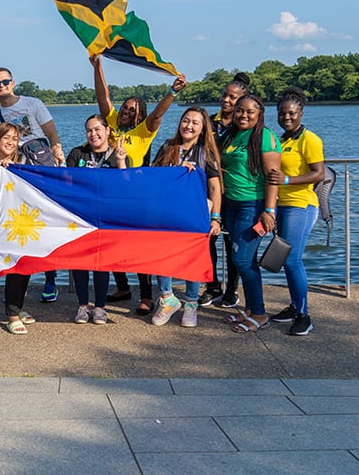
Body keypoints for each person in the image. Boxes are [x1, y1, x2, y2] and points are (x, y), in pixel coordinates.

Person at [91, 54, 187, 314]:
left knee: (138, 246)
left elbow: (157, 115)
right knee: (111, 243)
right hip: (110, 195)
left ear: (140, 115)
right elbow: (104, 98)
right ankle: (122, 287)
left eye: (132, 110)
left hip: (136, 196)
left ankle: (146, 295)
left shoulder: (143, 131)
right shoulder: (112, 127)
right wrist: (98, 67)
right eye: (125, 107)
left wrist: (171, 92)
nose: (125, 111)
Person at [0, 67, 65, 303]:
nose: (2, 86)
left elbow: (52, 134)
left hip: (41, 169)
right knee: (25, 224)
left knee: (48, 223)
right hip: (17, 176)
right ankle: (21, 277)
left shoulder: (33, 103)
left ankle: (50, 279)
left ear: (13, 83)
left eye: (5, 81)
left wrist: (57, 155)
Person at [148, 107, 222, 327]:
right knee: (162, 255)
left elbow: (215, 188)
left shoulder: (206, 152)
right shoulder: (168, 146)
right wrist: (177, 170)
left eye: (195, 123)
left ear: (203, 128)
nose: (189, 126)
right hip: (167, 213)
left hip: (195, 215)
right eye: (186, 120)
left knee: (192, 259)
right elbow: (153, 175)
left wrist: (216, 218)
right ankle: (167, 298)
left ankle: (191, 302)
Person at [220, 95, 281, 333]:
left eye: (249, 112)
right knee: (245, 260)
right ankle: (249, 309)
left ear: (259, 114)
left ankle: (260, 313)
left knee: (243, 260)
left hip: (252, 206)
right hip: (231, 205)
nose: (243, 115)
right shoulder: (232, 134)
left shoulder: (265, 136)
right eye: (239, 111)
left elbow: (273, 176)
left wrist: (268, 210)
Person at [267, 87, 324, 336]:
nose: (286, 117)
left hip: (301, 203)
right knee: (284, 260)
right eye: (282, 114)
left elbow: (319, 173)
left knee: (292, 259)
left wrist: (287, 181)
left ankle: (304, 315)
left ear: (300, 113)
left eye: (291, 113)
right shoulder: (283, 139)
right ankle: (293, 306)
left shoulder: (309, 139)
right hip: (281, 204)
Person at [66, 114, 129, 326]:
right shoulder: (77, 153)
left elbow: (126, 187)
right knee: (80, 263)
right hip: (80, 217)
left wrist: (121, 162)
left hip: (106, 218)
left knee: (101, 263)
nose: (93, 134)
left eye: (97, 129)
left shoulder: (117, 155)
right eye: (89, 130)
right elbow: (66, 183)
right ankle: (83, 306)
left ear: (107, 131)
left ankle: (100, 307)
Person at [199, 72, 251, 308]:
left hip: (235, 193)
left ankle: (232, 289)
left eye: (233, 97)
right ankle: (212, 286)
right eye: (224, 95)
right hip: (209, 191)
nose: (226, 100)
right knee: (208, 240)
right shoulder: (210, 121)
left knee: (233, 245)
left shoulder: (245, 126)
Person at [0, 122, 36, 334]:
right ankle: (12, 313)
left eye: (14, 139)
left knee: (24, 265)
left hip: (23, 221)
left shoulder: (23, 161)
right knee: (12, 266)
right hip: (0, 223)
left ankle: (18, 306)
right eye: (6, 137)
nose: (11, 142)